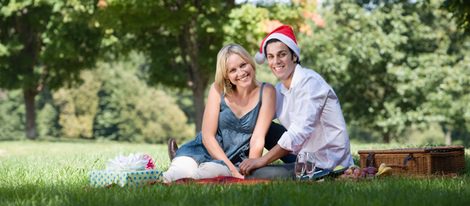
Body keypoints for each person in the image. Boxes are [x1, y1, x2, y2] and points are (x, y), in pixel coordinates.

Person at [239, 25, 354, 178]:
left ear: (294, 56)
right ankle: (238, 162)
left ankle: (333, 175)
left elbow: (298, 133)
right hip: (303, 155)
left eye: (282, 54)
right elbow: (256, 117)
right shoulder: (280, 89)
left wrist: (261, 161)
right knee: (262, 124)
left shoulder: (310, 83)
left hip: (325, 161)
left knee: (259, 173)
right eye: (271, 56)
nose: (276, 61)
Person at [162, 43, 276, 182]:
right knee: (175, 174)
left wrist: (249, 171)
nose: (240, 73)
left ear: (250, 62)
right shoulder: (217, 89)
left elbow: (257, 139)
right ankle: (179, 161)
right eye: (232, 70)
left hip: (233, 161)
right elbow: (208, 137)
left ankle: (190, 172)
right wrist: (233, 172)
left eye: (243, 65)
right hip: (202, 150)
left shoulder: (267, 91)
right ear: (226, 75)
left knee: (208, 173)